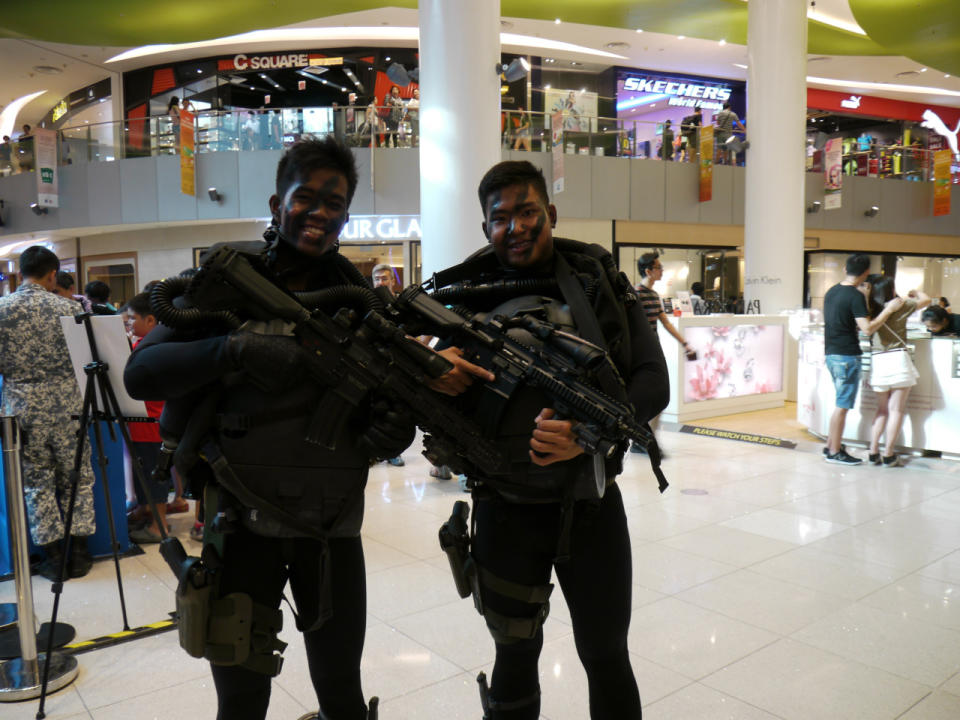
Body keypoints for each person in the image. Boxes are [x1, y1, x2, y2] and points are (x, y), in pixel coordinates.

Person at [124, 137, 405, 720]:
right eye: (307, 197)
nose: (320, 212)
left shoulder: (362, 304)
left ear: (346, 217)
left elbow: (392, 407)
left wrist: (392, 429)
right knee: (243, 698)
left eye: (335, 202)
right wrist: (233, 349)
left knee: (340, 692)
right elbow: (142, 372)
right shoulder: (229, 279)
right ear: (279, 202)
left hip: (330, 529)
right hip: (239, 521)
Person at [428, 160, 668, 720]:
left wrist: (589, 433)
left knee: (606, 653)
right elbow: (421, 399)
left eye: (527, 211)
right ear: (485, 225)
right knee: (515, 655)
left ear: (550, 214)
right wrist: (433, 366)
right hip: (503, 508)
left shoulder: (597, 281)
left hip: (590, 504)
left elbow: (653, 380)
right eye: (500, 217)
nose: (515, 227)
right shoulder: (465, 292)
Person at [0, 246, 95, 580]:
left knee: (36, 481)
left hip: (21, 407)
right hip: (68, 403)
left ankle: (54, 558)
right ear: (53, 274)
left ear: (21, 270)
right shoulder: (69, 308)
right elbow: (88, 361)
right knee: (77, 475)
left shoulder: (2, 310)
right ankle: (81, 554)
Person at [822, 254, 904, 465]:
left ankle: (832, 444)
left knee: (840, 401)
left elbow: (851, 319)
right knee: (842, 405)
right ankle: (834, 451)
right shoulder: (854, 296)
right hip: (847, 355)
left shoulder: (832, 291)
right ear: (866, 272)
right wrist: (888, 310)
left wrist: (865, 299)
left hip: (831, 352)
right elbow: (866, 328)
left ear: (845, 269)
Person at [123, 292, 173, 543]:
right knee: (141, 472)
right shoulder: (142, 344)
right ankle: (145, 510)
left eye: (133, 318)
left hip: (152, 424)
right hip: (139, 424)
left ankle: (159, 525)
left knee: (155, 476)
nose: (129, 323)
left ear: (151, 320)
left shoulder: (154, 347)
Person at [865, 277, 930, 467]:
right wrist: (915, 292)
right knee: (896, 410)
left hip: (878, 360)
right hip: (898, 359)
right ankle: (889, 454)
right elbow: (926, 300)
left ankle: (873, 451)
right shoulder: (901, 305)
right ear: (891, 289)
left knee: (881, 410)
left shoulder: (868, 308)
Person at [370, 263, 405, 468]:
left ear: (392, 280)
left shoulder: (400, 304)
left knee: (396, 409)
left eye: (384, 278)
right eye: (377, 279)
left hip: (397, 364)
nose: (381, 282)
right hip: (374, 362)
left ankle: (394, 453)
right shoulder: (368, 302)